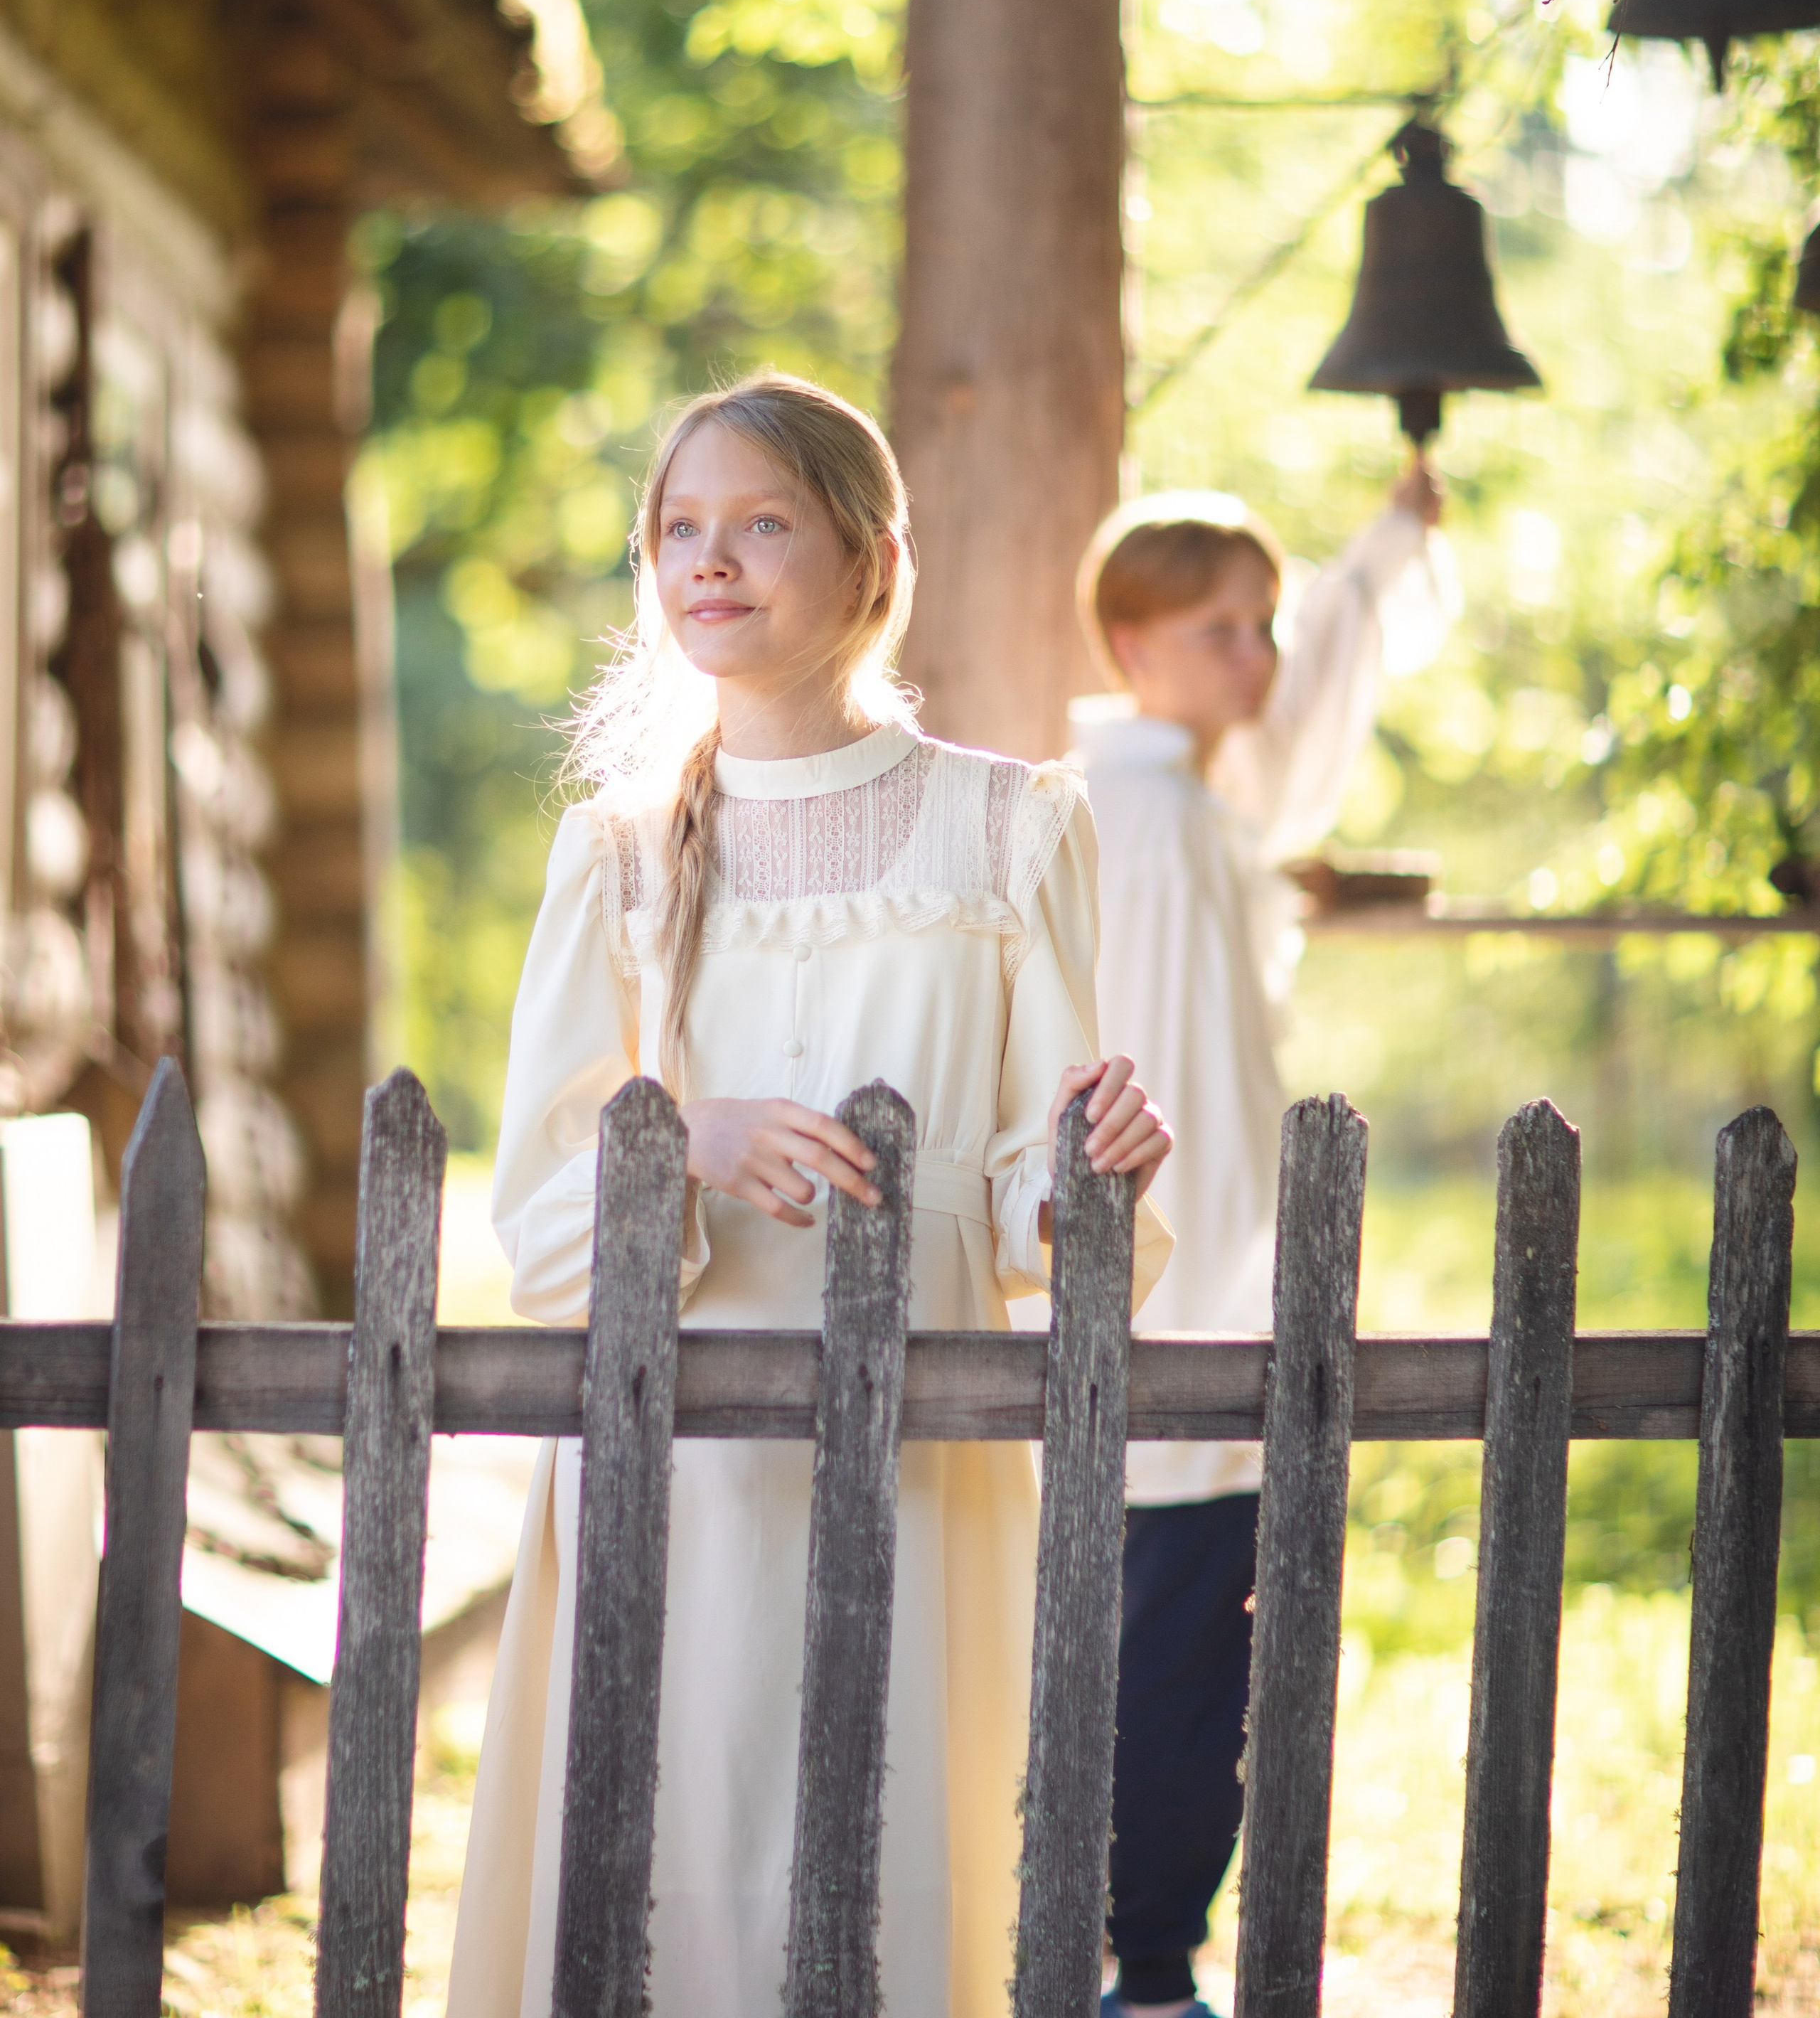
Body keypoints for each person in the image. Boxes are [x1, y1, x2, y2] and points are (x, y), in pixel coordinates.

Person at [447, 373, 1174, 2018]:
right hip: (674, 1457)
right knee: (671, 1855)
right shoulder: (618, 852)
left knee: (894, 1862)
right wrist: (683, 1142)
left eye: (762, 522)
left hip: (919, 1450)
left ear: (873, 560)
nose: (710, 560)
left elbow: (1031, 1196)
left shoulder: (1011, 827)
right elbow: (541, 1225)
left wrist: (1087, 1175)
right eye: (679, 529)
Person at [1076, 460, 1454, 2018]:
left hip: (1179, 1291)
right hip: (1184, 1292)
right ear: (1131, 646)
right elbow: (1162, 1074)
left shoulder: (1170, 800)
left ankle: (1140, 1952)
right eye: (1221, 630)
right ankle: (1151, 1968)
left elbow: (1286, 755)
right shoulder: (1154, 821)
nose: (1259, 658)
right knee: (1171, 1647)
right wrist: (1227, 1281)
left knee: (1155, 1636)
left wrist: (1385, 546)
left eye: (1267, 625)